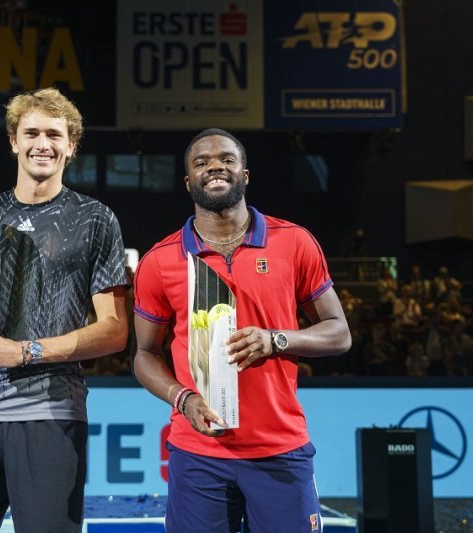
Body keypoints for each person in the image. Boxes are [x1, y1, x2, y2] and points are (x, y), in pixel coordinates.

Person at [0, 87, 128, 532]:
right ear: (13, 140)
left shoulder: (95, 218)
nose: (43, 143)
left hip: (51, 414)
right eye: (31, 132)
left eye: (54, 134)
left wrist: (24, 352)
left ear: (71, 146)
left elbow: (114, 331)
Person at [132, 129, 351, 532]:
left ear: (245, 174)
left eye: (226, 159)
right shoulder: (160, 261)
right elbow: (144, 355)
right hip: (198, 454)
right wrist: (182, 399)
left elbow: (339, 333)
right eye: (201, 162)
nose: (214, 166)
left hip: (280, 449)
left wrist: (276, 339)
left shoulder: (295, 243)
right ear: (188, 182)